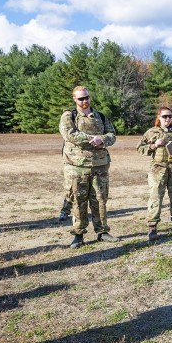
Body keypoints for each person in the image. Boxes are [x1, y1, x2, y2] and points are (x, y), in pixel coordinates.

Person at [59, 86, 118, 248]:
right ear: (74, 100)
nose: (84, 101)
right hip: (77, 166)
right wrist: (93, 138)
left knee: (100, 200)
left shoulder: (100, 116)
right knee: (78, 200)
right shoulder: (69, 116)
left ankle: (102, 232)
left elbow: (112, 135)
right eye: (80, 99)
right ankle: (78, 234)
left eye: (86, 98)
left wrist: (103, 140)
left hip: (100, 165)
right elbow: (70, 134)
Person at [137, 107, 172, 241]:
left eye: (170, 116)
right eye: (165, 116)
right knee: (155, 198)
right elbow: (140, 148)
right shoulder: (152, 132)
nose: (167, 119)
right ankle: (152, 227)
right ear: (159, 117)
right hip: (158, 170)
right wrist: (154, 145)